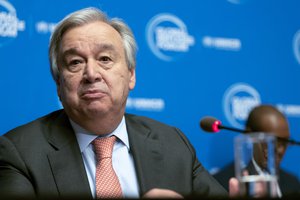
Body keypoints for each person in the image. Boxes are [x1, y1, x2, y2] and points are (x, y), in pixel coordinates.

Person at [0, 7, 227, 199]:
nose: (91, 73)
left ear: (131, 75)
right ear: (59, 84)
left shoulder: (173, 144)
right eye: (76, 62)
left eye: (105, 59)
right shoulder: (19, 153)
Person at [213, 104, 300, 197]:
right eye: (273, 141)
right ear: (249, 136)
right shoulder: (220, 184)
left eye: (285, 142)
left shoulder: (293, 183)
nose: (280, 150)